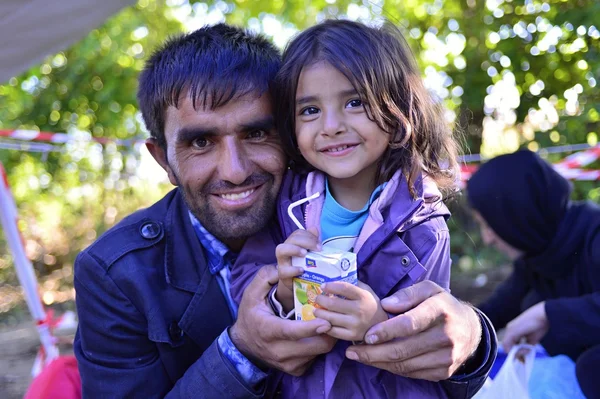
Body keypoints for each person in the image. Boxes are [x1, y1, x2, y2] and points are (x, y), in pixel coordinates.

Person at [74, 23, 495, 399]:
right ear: (164, 160)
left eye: (256, 132)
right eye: (200, 142)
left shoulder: (396, 210)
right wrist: (241, 351)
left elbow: (435, 347)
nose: (236, 171)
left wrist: (475, 339)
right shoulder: (115, 275)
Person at [230, 20, 493, 398]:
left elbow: (433, 335)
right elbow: (242, 286)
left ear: (397, 111)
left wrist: (378, 323)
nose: (332, 126)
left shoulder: (422, 220)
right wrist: (283, 292)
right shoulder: (285, 202)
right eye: (309, 110)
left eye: (355, 103)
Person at [467, 150, 600, 399]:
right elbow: (496, 309)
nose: (488, 238)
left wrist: (546, 313)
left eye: (489, 224)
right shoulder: (538, 257)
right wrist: (458, 322)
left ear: (516, 213)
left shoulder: (594, 235)